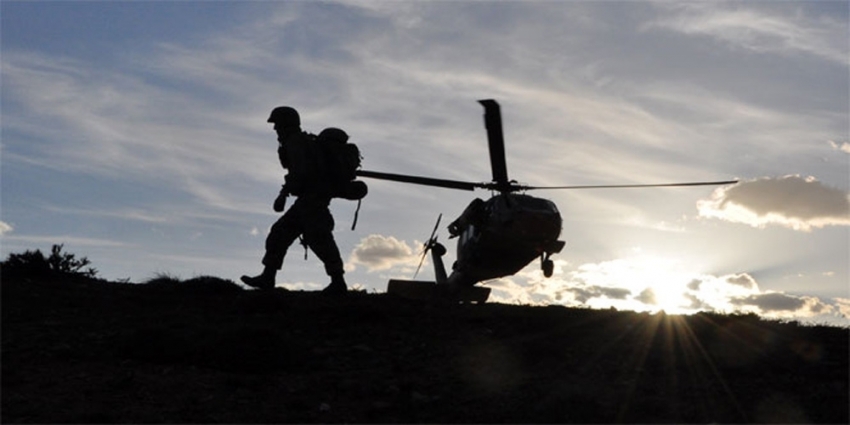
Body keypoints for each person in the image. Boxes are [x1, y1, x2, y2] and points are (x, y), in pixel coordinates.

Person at [241, 106, 347, 295]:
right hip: (309, 200)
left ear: (286, 124)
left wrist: (283, 194)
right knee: (281, 234)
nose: (275, 129)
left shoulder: (296, 142)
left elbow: (300, 172)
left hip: (312, 200)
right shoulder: (301, 141)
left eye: (277, 124)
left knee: (319, 240)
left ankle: (338, 281)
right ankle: (268, 276)